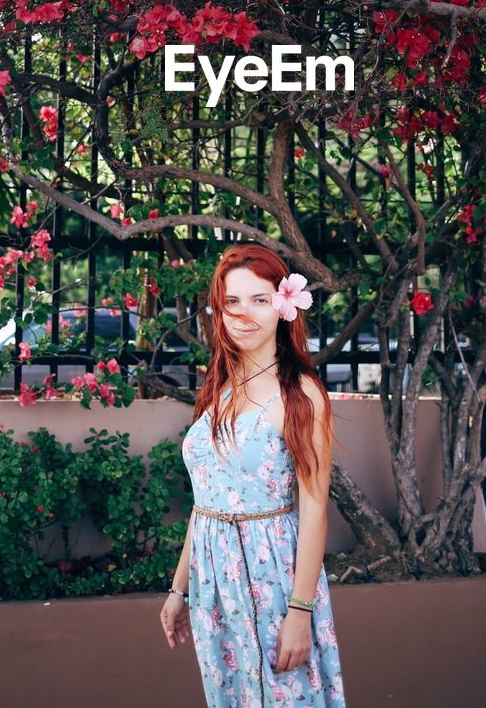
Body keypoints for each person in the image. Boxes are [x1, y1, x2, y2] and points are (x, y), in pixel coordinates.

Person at [159, 243, 347, 708]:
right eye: (232, 302)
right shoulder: (219, 386)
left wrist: (300, 611)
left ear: (283, 307)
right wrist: (179, 587)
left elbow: (315, 509)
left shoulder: (301, 396)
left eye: (259, 300)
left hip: (273, 580)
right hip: (214, 586)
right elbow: (206, 502)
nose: (244, 313)